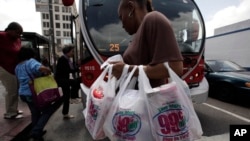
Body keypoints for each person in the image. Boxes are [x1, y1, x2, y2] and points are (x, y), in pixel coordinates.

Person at [111, 0, 183, 87]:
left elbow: (175, 68)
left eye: (121, 17)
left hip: (148, 99)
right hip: (135, 99)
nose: (122, 24)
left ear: (131, 7)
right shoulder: (139, 33)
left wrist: (127, 69)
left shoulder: (153, 18)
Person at [15, 46, 62, 141]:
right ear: (30, 54)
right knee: (47, 110)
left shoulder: (17, 66)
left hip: (23, 93)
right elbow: (43, 69)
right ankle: (36, 131)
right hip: (34, 92)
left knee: (35, 112)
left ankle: (36, 132)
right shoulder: (31, 62)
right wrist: (48, 71)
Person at [0, 22, 24, 119]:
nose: (19, 35)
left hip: (14, 68)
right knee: (11, 90)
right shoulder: (2, 36)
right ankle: (10, 113)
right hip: (4, 67)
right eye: (17, 32)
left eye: (20, 33)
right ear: (10, 30)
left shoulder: (17, 40)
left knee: (16, 89)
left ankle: (14, 109)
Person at [54, 45, 81, 119]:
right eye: (72, 51)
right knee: (77, 81)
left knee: (66, 97)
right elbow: (68, 70)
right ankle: (74, 97)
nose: (73, 53)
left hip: (64, 79)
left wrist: (77, 67)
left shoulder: (67, 59)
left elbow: (71, 69)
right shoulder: (63, 59)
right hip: (62, 80)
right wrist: (78, 69)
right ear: (67, 52)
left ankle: (65, 113)